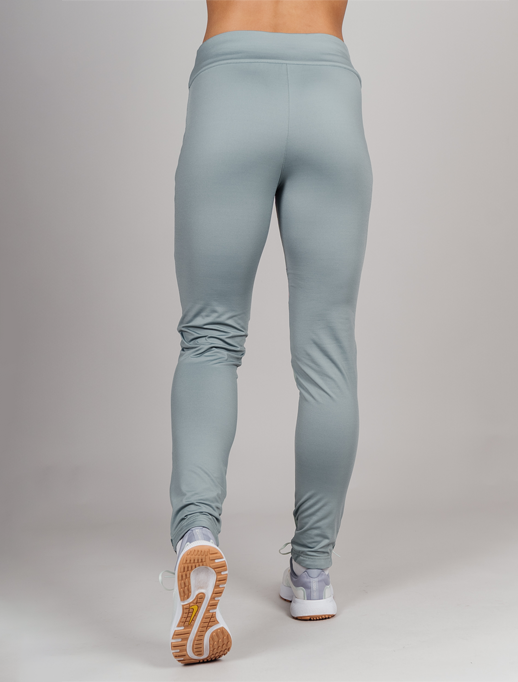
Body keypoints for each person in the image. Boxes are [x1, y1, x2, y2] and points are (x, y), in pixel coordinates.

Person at [160, 0, 373, 665]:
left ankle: (197, 534)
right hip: (328, 94)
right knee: (328, 350)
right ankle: (312, 573)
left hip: (229, 90)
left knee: (209, 339)